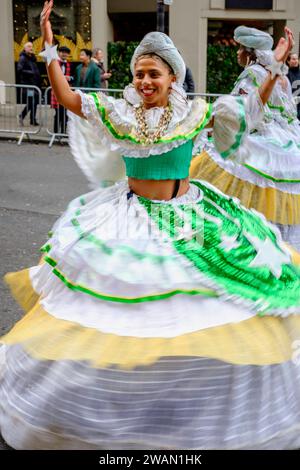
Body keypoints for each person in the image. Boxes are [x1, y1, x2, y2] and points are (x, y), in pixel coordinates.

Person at [0, 1, 300, 450]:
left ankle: (191, 404)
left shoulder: (193, 115)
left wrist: (274, 68)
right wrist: (48, 46)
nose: (144, 82)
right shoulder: (119, 114)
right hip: (128, 217)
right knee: (121, 312)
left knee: (197, 306)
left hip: (190, 218)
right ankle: (120, 408)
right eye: (139, 74)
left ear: (172, 78)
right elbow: (66, 98)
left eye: (154, 74)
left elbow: (244, 111)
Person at [190, 26, 300, 252]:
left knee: (227, 177)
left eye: (239, 49)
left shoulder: (252, 74)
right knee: (277, 201)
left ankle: (241, 245)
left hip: (260, 139)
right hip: (287, 145)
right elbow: (289, 116)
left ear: (249, 53)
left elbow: (242, 112)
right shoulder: (282, 78)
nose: (237, 53)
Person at [17, 42, 41, 126]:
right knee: (32, 101)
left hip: (33, 84)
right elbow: (19, 69)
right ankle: (23, 116)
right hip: (27, 85)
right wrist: (31, 73)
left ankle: (32, 119)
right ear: (25, 49)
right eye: (29, 46)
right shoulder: (23, 58)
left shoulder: (32, 58)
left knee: (34, 102)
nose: (31, 48)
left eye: (31, 46)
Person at [51, 45, 72, 134]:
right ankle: (56, 132)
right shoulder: (54, 62)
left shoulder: (67, 64)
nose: (64, 54)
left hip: (65, 91)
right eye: (62, 52)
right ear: (58, 53)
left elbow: (70, 77)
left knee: (65, 113)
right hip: (56, 90)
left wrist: (70, 78)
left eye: (66, 53)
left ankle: (63, 131)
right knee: (58, 113)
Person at [287, 52, 300, 120]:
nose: (296, 61)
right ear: (288, 61)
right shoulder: (286, 74)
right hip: (291, 107)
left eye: (297, 59)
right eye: (293, 59)